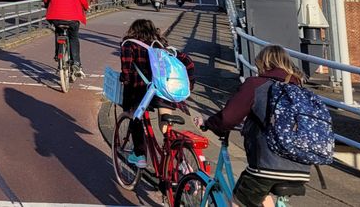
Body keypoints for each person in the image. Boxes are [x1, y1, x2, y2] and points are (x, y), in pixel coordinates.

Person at [203, 45, 311, 207]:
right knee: (260, 193)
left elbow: (228, 118)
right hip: (301, 166)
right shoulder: (299, 89)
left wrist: (209, 123)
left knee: (238, 201)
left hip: (267, 165)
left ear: (264, 64)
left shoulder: (256, 84)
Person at [119, 18, 195, 168]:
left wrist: (123, 78)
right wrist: (189, 84)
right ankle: (180, 161)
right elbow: (188, 61)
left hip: (141, 93)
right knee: (165, 125)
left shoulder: (129, 44)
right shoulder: (162, 46)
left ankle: (140, 155)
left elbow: (126, 71)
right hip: (164, 92)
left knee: (134, 116)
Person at [43, 0, 89, 77]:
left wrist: (47, 5)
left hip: (55, 17)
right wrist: (86, 7)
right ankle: (76, 63)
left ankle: (58, 56)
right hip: (72, 18)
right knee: (73, 37)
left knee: (58, 32)